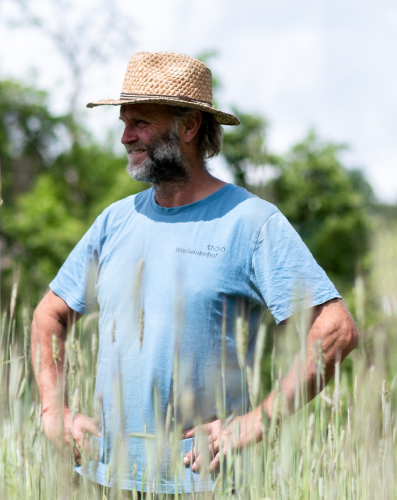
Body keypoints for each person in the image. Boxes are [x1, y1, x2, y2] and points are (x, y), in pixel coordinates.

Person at [30, 52, 359, 494]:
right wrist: (54, 410)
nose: (126, 137)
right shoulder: (114, 222)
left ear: (189, 127)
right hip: (102, 477)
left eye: (141, 122)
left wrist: (259, 420)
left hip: (202, 483)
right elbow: (48, 315)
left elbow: (335, 329)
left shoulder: (251, 222)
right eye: (124, 122)